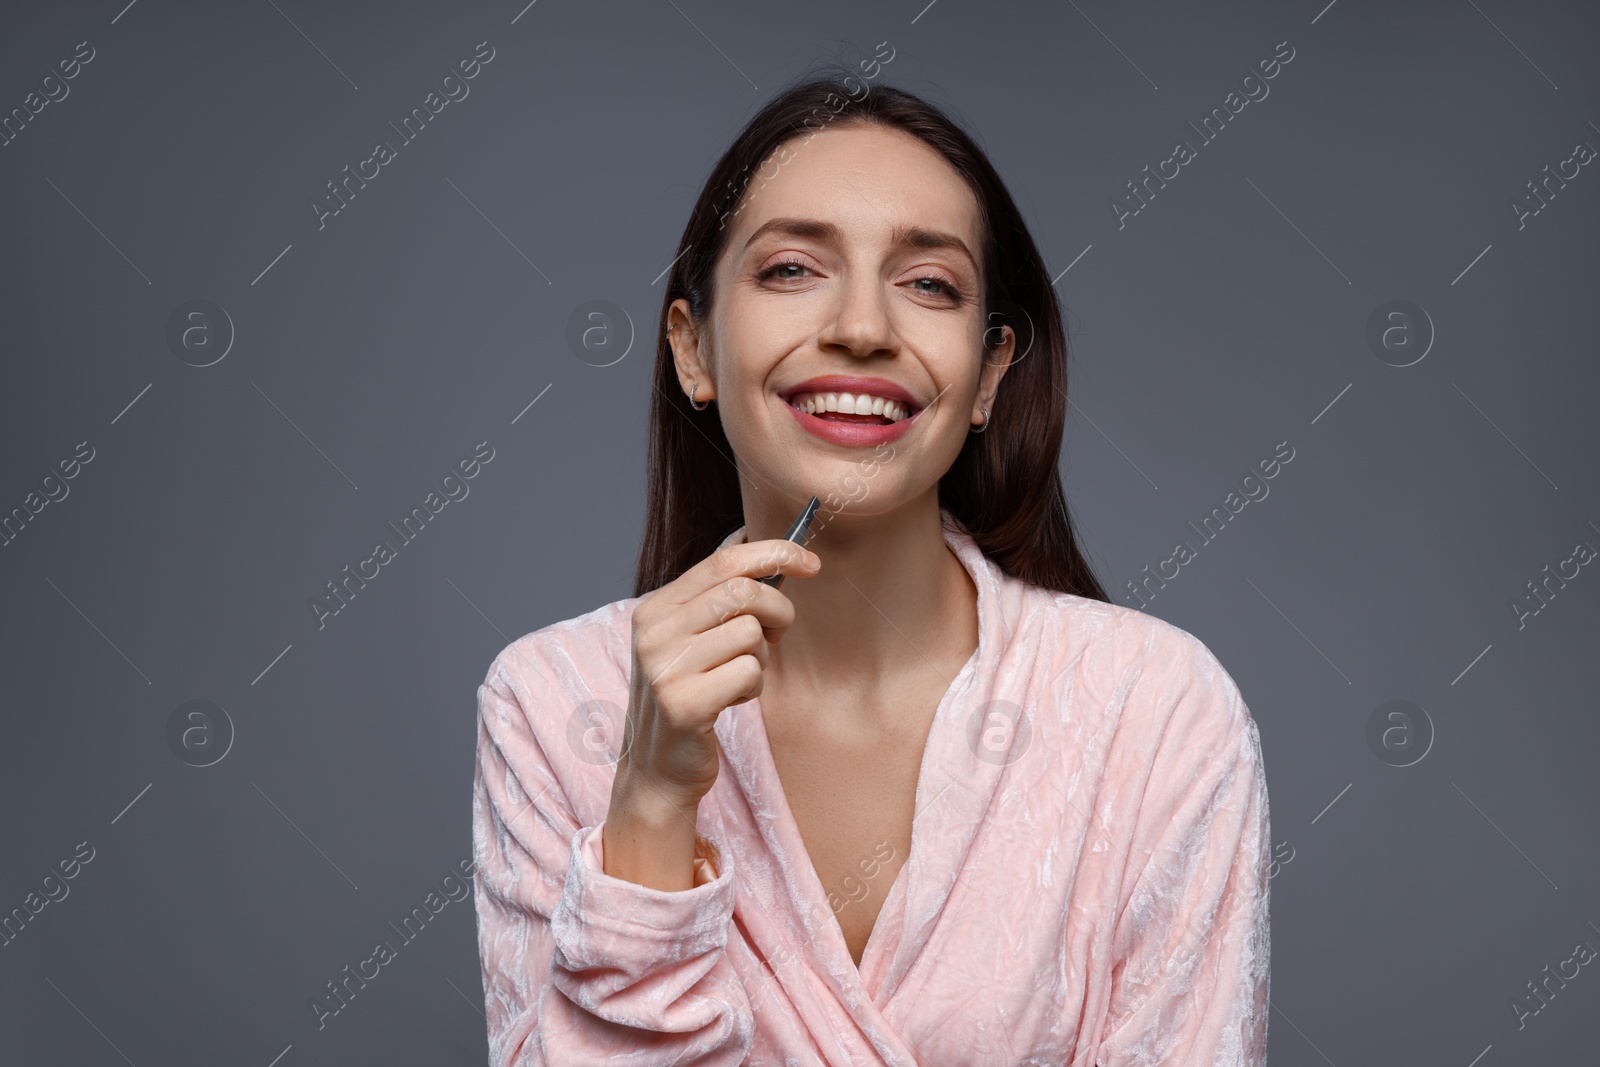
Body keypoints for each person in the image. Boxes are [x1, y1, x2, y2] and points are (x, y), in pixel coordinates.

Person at [470, 67, 1271, 1065]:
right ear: (692, 348)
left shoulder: (1155, 710)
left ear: (986, 375)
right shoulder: (549, 706)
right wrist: (645, 812)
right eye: (791, 270)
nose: (860, 326)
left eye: (928, 283)